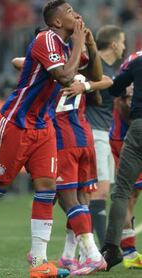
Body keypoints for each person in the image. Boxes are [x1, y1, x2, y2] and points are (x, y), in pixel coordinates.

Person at [0, 1, 103, 277]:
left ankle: (39, 262)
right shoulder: (45, 39)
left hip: (43, 125)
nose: (76, 15)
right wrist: (77, 45)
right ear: (57, 22)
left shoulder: (66, 46)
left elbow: (93, 76)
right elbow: (64, 76)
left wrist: (91, 45)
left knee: (47, 187)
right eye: (70, 12)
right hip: (16, 123)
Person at [12, 55, 111, 275]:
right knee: (77, 198)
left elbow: (17, 62)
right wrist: (86, 84)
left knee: (66, 199)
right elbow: (107, 80)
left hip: (61, 141)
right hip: (85, 137)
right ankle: (69, 255)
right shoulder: (79, 74)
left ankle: (87, 255)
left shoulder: (50, 74)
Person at [85, 25, 126, 247]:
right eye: (122, 42)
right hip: (93, 132)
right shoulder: (93, 64)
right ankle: (96, 251)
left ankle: (96, 251)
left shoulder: (112, 69)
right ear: (112, 44)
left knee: (102, 190)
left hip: (105, 133)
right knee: (97, 192)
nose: (124, 46)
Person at [102, 52, 142, 270]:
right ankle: (128, 249)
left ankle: (113, 249)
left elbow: (115, 89)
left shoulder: (136, 61)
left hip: (136, 130)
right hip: (123, 133)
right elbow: (120, 98)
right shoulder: (135, 58)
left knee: (124, 192)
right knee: (129, 193)